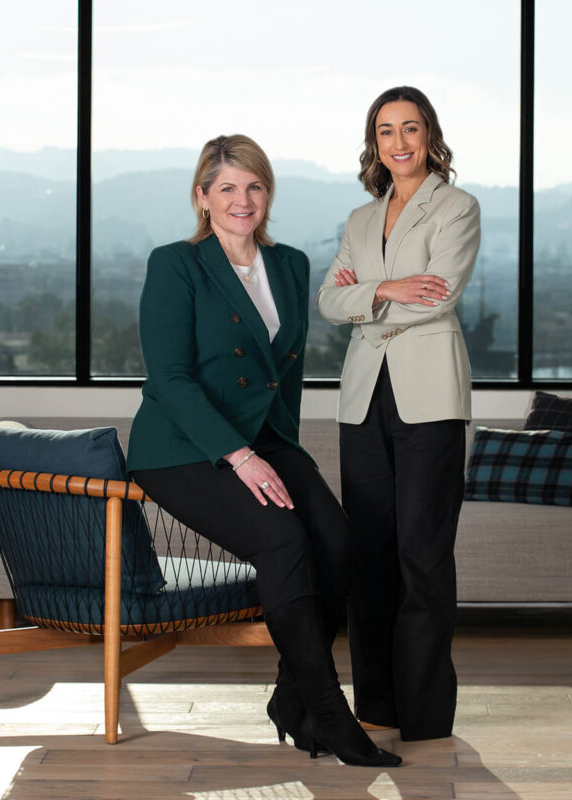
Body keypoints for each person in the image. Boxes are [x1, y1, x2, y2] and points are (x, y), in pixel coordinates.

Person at [126, 134, 400, 768]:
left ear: (267, 193)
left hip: (268, 438)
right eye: (226, 188)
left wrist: (282, 451)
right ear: (202, 197)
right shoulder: (176, 264)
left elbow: (288, 372)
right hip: (182, 448)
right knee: (283, 541)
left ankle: (290, 696)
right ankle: (331, 713)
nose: (241, 200)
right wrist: (240, 457)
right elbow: (167, 378)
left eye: (253, 186)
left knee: (337, 541)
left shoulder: (290, 264)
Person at [315, 87, 481, 741]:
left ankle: (425, 712)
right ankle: (376, 704)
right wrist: (383, 288)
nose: (399, 142)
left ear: (430, 135)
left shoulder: (457, 207)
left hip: (429, 396)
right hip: (363, 398)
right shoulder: (360, 218)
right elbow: (329, 300)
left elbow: (437, 299)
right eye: (386, 131)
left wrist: (367, 300)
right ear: (374, 143)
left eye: (410, 128)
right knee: (371, 555)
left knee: (423, 552)